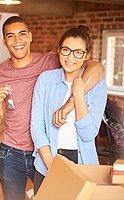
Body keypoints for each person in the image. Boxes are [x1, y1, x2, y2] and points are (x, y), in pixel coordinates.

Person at [0, 16, 104, 200]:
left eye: (22, 34)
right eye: (11, 36)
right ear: (4, 41)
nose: (18, 41)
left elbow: (96, 68)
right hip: (12, 153)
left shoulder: (50, 62)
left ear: (30, 36)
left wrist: (70, 103)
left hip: (42, 152)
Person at [30, 25, 107, 195]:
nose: (70, 57)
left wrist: (78, 94)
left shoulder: (98, 87)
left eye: (78, 52)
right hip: (48, 163)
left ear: (87, 55)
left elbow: (88, 135)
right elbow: (37, 127)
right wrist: (52, 167)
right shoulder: (46, 80)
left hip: (84, 166)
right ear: (59, 51)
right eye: (66, 50)